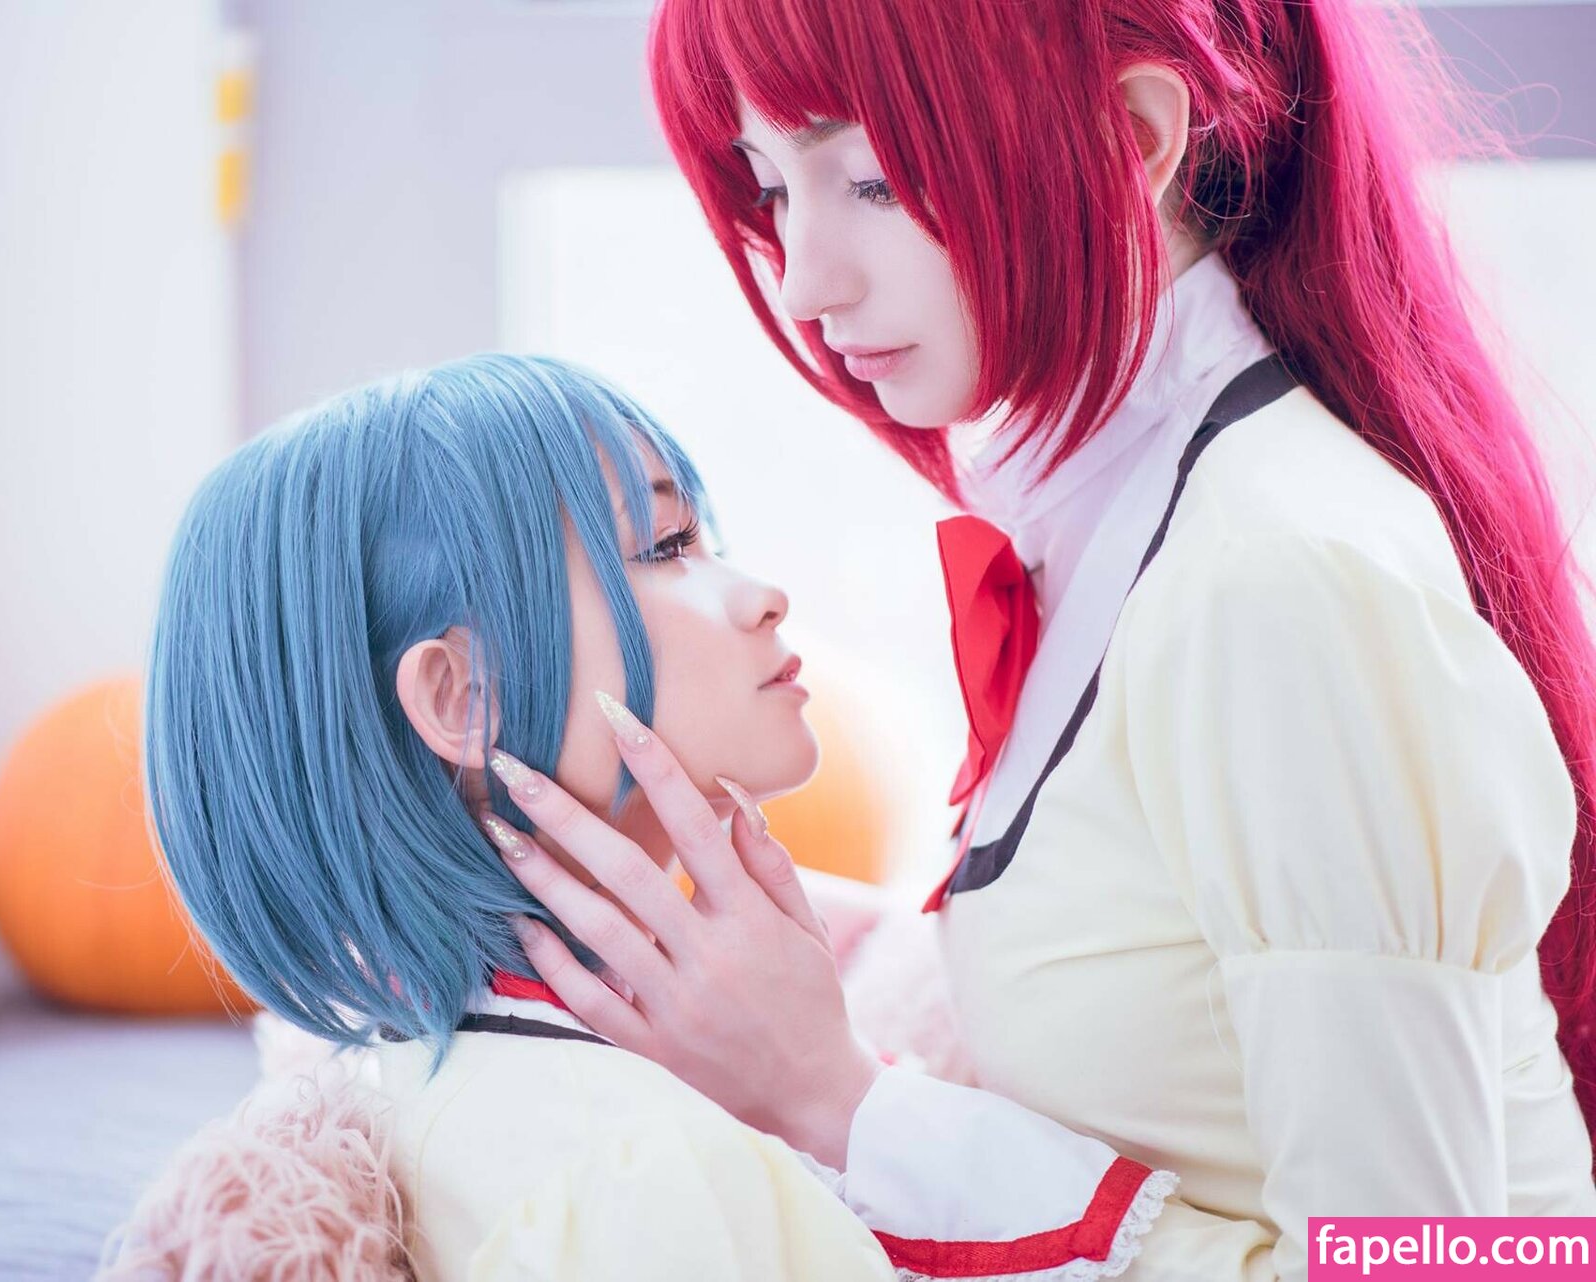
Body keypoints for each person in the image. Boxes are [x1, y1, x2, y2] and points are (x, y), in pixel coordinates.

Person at [486, 0, 1596, 1278]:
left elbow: (1430, 1265)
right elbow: (1168, 999)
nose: (803, 280)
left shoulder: (1275, 574)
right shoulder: (1123, 523)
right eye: (772, 187)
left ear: (1135, 138)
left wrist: (839, 1099)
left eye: (871, 179)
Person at [142, 354, 1134, 1280]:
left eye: (704, 541)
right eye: (665, 547)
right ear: (464, 697)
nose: (764, 595)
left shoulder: (426, 1085)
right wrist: (832, 1091)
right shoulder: (648, 1169)